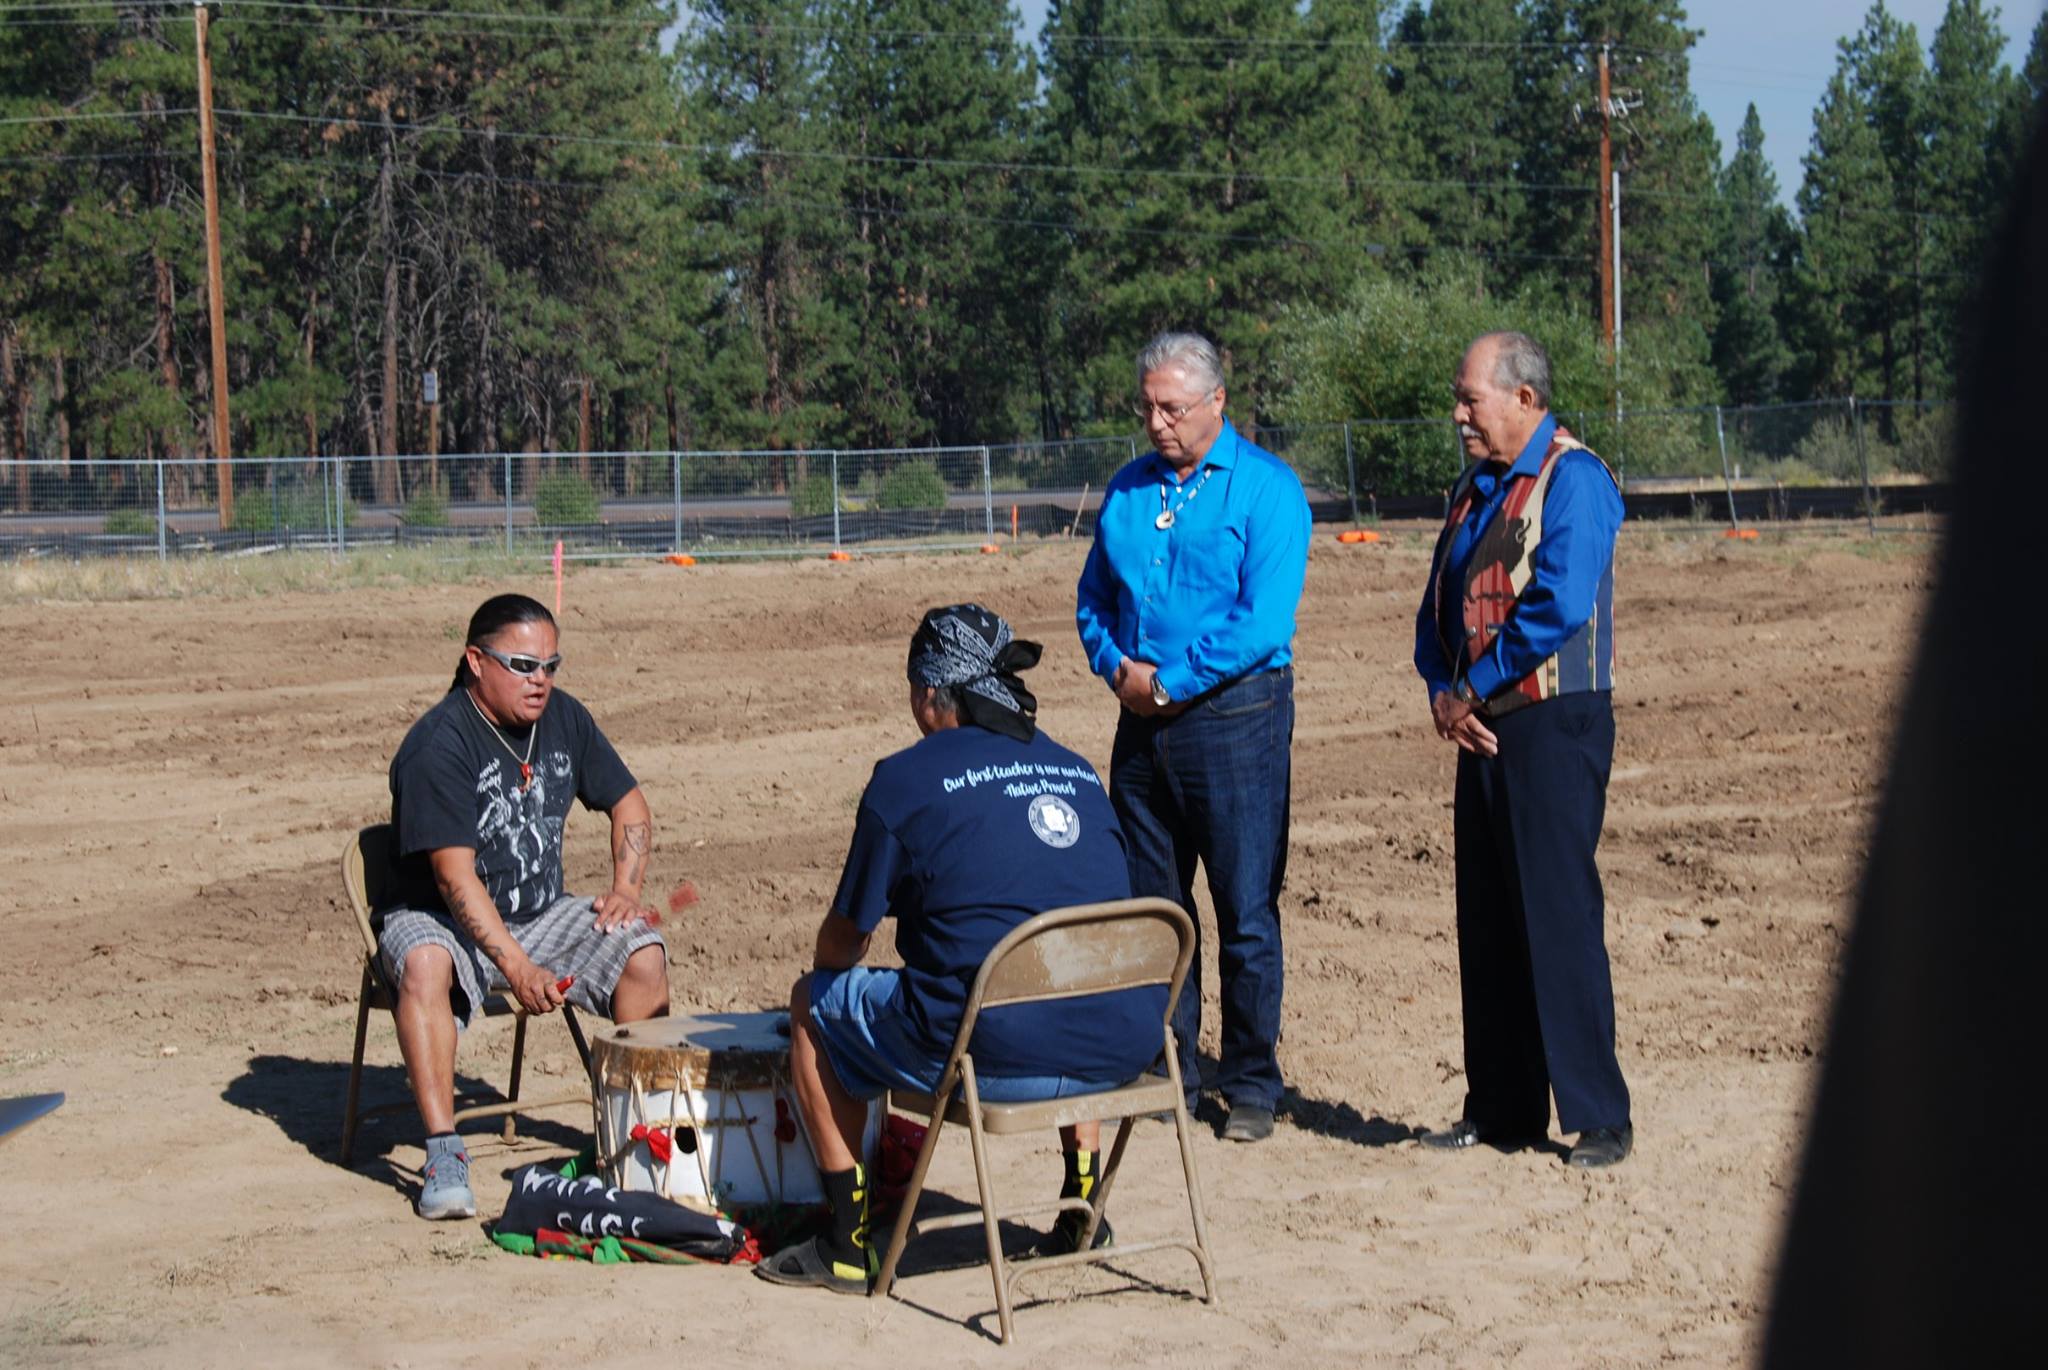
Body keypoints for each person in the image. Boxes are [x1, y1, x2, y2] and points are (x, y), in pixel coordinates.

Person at [755, 604, 1164, 1296]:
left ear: (927, 692)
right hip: (1121, 1050)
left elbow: (846, 938)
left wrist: (826, 974)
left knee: (811, 1006)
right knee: (1067, 968)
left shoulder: (906, 778)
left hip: (991, 1057)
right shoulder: (1075, 770)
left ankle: (848, 1245)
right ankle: (1081, 1209)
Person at [1074, 330, 1311, 1144]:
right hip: (1140, 723)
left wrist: (1171, 681)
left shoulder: (1267, 492)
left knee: (1245, 906)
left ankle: (1251, 1079)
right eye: (1146, 406)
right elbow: (1093, 598)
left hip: (1235, 719)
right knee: (1154, 907)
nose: (1157, 422)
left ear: (1217, 402)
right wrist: (1119, 671)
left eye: (1172, 407)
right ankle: (1170, 1061)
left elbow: (1263, 621)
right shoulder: (1129, 492)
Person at [375, 593, 671, 1219]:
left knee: (642, 949)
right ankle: (443, 1149)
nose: (541, 680)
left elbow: (630, 806)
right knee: (426, 964)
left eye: (551, 665)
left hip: (540, 911)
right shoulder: (439, 745)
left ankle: (638, 1132)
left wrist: (627, 891)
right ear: (476, 661)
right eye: (523, 665)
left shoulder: (563, 719)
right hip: (440, 917)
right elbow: (455, 881)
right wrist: (517, 968)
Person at [1413, 330, 1631, 1169]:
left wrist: (1476, 685)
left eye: (1472, 398)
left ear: (1526, 400)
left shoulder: (1575, 478)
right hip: (1481, 722)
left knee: (1557, 914)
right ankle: (1502, 1105)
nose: (1460, 413)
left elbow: (1559, 604)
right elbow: (1438, 601)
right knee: (1491, 917)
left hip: (1553, 721)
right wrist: (1443, 689)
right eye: (1461, 398)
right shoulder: (1475, 487)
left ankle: (1599, 1115)